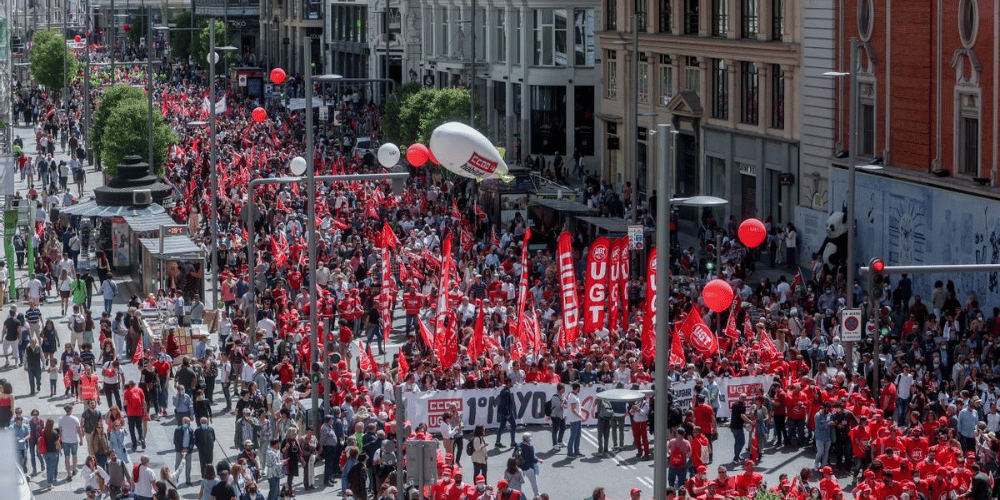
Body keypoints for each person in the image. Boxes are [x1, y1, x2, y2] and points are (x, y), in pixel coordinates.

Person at [513, 433, 541, 498]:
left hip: (520, 468)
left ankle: (518, 496)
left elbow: (514, 455)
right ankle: (536, 495)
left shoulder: (518, 445)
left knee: (519, 483)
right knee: (533, 482)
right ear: (527, 439)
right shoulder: (530, 447)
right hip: (528, 467)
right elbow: (532, 458)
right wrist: (539, 460)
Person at [59, 403, 82, 481]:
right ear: (71, 410)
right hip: (74, 440)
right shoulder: (75, 419)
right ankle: (74, 468)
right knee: (74, 455)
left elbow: (60, 431)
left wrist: (61, 439)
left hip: (65, 440)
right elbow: (79, 430)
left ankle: (69, 473)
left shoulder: (61, 419)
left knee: (67, 457)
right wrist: (81, 439)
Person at [173, 417, 195, 485]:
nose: (186, 424)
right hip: (179, 450)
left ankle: (188, 480)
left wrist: (188, 449)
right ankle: (175, 479)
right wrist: (182, 449)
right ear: (182, 422)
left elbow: (193, 441)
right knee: (177, 465)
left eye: (187, 422)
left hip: (188, 450)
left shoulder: (191, 430)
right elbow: (175, 441)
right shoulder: (178, 430)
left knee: (188, 466)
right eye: (185, 422)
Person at [495, 379, 516, 448]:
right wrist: (507, 414)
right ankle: (512, 442)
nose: (512, 383)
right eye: (512, 382)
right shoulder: (506, 392)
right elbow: (505, 404)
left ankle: (497, 442)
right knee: (513, 425)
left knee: (501, 427)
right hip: (506, 412)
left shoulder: (504, 390)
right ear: (509, 383)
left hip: (502, 412)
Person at [566, 382, 586, 457]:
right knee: (573, 436)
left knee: (578, 436)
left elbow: (576, 407)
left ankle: (576, 450)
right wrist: (581, 416)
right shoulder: (572, 397)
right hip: (574, 419)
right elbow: (573, 409)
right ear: (577, 388)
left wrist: (581, 408)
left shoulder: (574, 396)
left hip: (577, 419)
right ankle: (570, 452)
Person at [730, 394, 750, 463]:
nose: (743, 399)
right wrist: (750, 422)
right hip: (738, 427)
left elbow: (739, 414)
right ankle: (736, 458)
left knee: (737, 442)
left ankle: (737, 456)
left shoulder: (735, 404)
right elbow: (742, 415)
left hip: (733, 426)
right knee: (741, 442)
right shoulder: (742, 406)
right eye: (743, 398)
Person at [547, 384, 567, 449]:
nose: (564, 390)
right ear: (560, 389)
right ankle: (555, 444)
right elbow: (558, 407)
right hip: (555, 415)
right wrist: (563, 403)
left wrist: (564, 403)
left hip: (561, 415)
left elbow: (566, 403)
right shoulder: (554, 397)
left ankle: (560, 442)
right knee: (555, 429)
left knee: (563, 428)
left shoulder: (563, 396)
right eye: (563, 389)